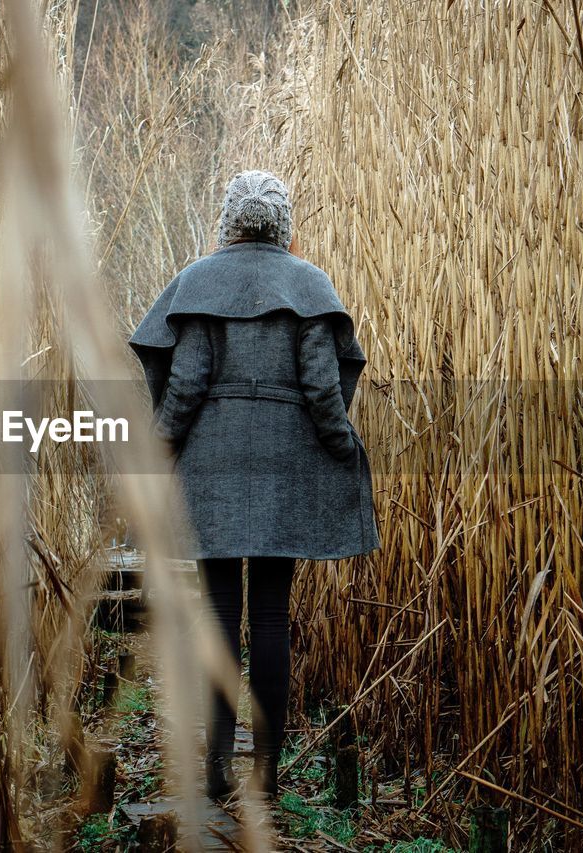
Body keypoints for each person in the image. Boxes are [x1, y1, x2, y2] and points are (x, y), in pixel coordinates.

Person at [129, 170, 380, 802]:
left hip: (212, 472)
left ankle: (215, 765)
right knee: (272, 618)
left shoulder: (199, 283)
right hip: (284, 473)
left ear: (229, 219)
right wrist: (342, 445)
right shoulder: (309, 285)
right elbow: (324, 390)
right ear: (281, 221)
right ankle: (265, 771)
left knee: (218, 618)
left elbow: (184, 385)